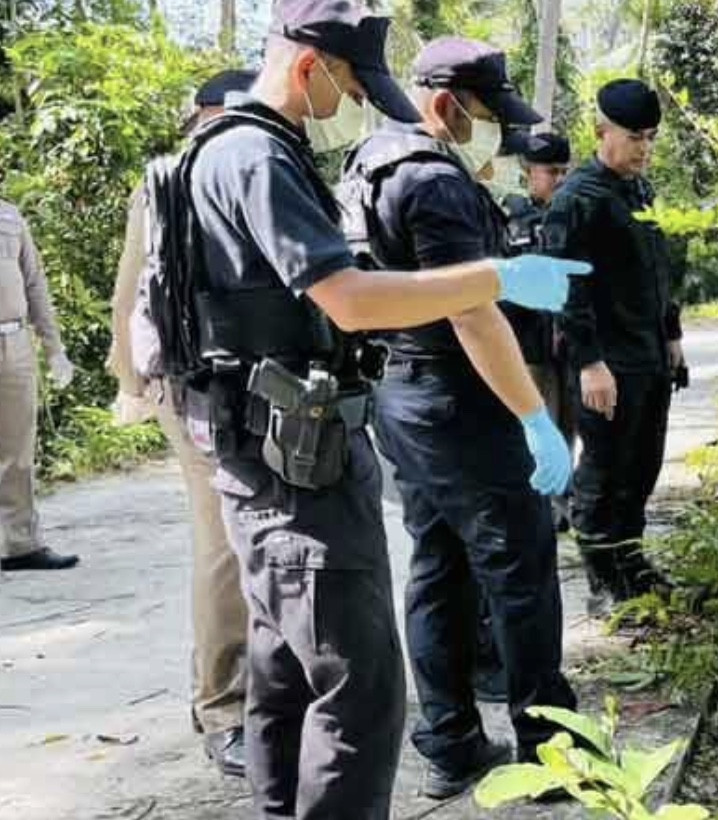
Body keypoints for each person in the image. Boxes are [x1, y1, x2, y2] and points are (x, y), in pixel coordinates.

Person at [155, 2, 586, 816]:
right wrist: (498, 279)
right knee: (358, 687)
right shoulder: (257, 156)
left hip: (281, 444)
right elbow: (350, 300)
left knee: (287, 671)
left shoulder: (248, 149)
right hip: (297, 461)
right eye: (354, 89)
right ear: (312, 67)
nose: (356, 108)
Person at [338, 37, 577, 799]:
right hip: (457, 396)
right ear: (444, 104)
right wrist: (535, 418)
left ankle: (450, 742)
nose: (497, 134)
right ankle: (549, 753)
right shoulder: (434, 181)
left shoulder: (371, 161)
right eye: (487, 114)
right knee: (520, 570)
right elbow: (471, 314)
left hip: (403, 394)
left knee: (438, 566)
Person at [108, 67, 255, 780]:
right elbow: (133, 286)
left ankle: (237, 691)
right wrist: (132, 380)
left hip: (220, 377)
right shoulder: (178, 178)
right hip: (194, 382)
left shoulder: (224, 168)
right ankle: (224, 707)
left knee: (244, 533)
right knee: (224, 538)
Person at [543, 79, 685, 603]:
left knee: (641, 465)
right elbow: (565, 288)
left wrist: (672, 334)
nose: (644, 148)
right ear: (601, 132)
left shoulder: (640, 191)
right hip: (607, 362)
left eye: (650, 138)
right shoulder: (578, 199)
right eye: (634, 137)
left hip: (648, 354)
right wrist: (589, 363)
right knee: (604, 471)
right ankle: (603, 579)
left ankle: (630, 563)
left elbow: (658, 271)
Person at [503, 131, 576, 531]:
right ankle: (537, 507)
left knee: (568, 425)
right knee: (537, 423)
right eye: (552, 171)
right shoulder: (510, 216)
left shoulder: (575, 213)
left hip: (570, 343)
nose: (559, 179)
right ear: (529, 171)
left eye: (565, 171)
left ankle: (560, 504)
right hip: (528, 344)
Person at [0, 198, 77, 572]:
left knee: (18, 451)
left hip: (13, 343)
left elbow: (34, 284)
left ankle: (20, 545)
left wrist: (54, 349)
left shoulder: (10, 216)